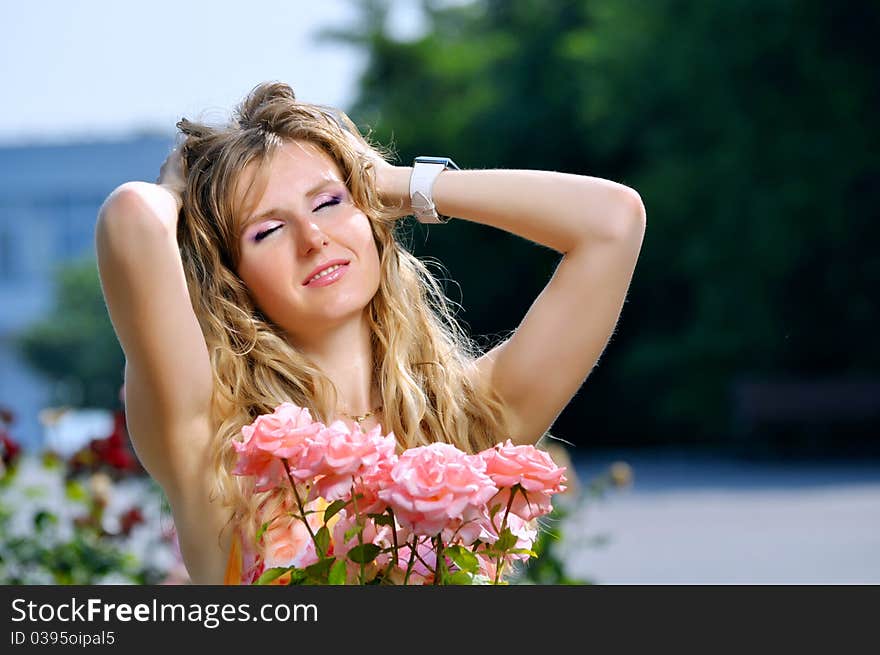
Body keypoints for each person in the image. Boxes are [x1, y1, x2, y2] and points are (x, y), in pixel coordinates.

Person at [94, 81, 646, 584]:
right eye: (268, 230)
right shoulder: (216, 441)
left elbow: (612, 222)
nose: (313, 238)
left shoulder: (471, 415)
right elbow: (132, 219)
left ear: (372, 213)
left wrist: (396, 182)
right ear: (232, 280)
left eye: (330, 202)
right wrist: (175, 188)